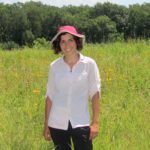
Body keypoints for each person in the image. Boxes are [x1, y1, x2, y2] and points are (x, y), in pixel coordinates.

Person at [43, 25, 101, 150]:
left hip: (81, 121)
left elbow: (95, 93)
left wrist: (95, 123)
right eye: (63, 41)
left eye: (70, 40)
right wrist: (46, 124)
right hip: (57, 122)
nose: (66, 44)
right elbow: (50, 96)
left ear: (77, 41)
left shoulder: (89, 64)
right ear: (59, 44)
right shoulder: (54, 66)